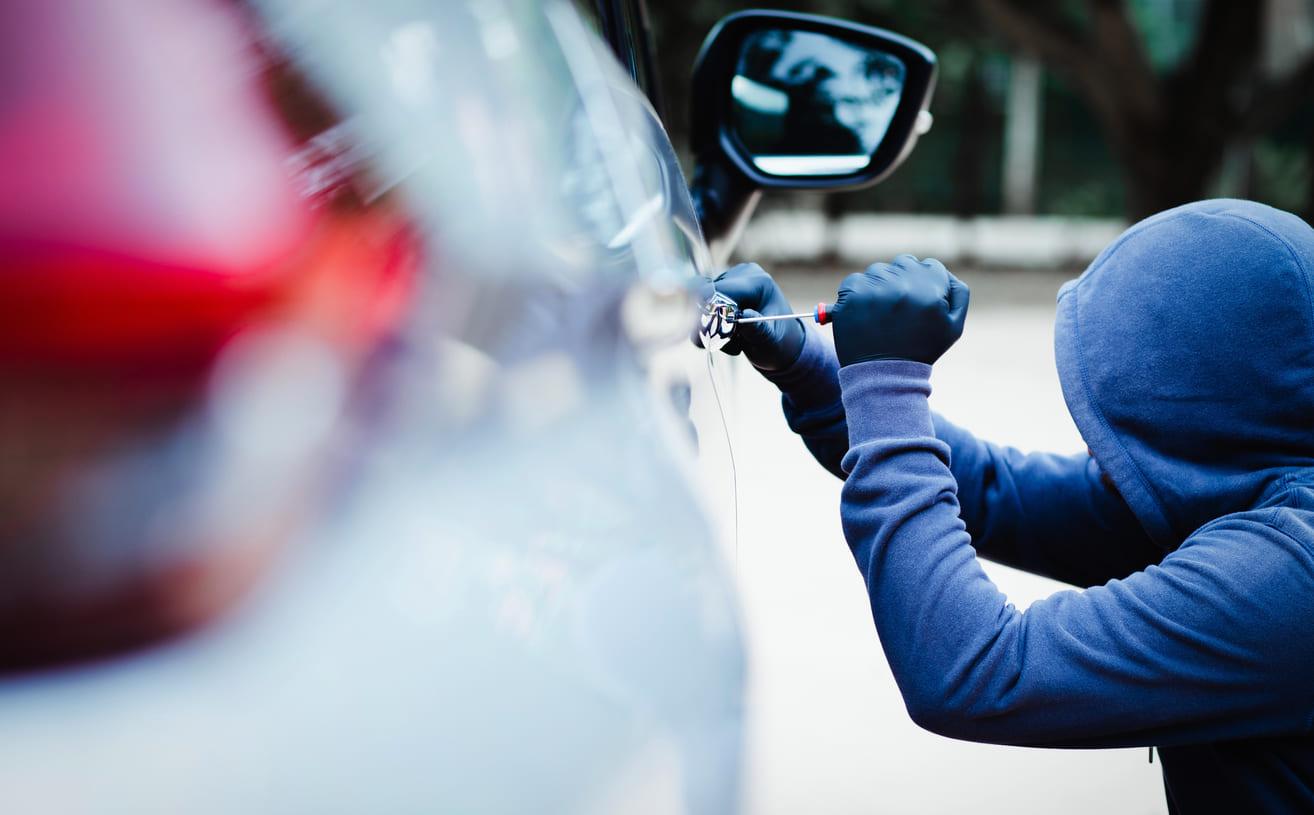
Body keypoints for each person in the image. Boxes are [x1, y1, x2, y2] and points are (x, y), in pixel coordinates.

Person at [708, 199, 1314, 813]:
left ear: (1201, 405)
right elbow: (1001, 492)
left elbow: (979, 671)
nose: (1091, 442)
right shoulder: (1241, 477)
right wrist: (807, 362)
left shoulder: (1290, 578)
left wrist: (887, 381)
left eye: (1120, 408)